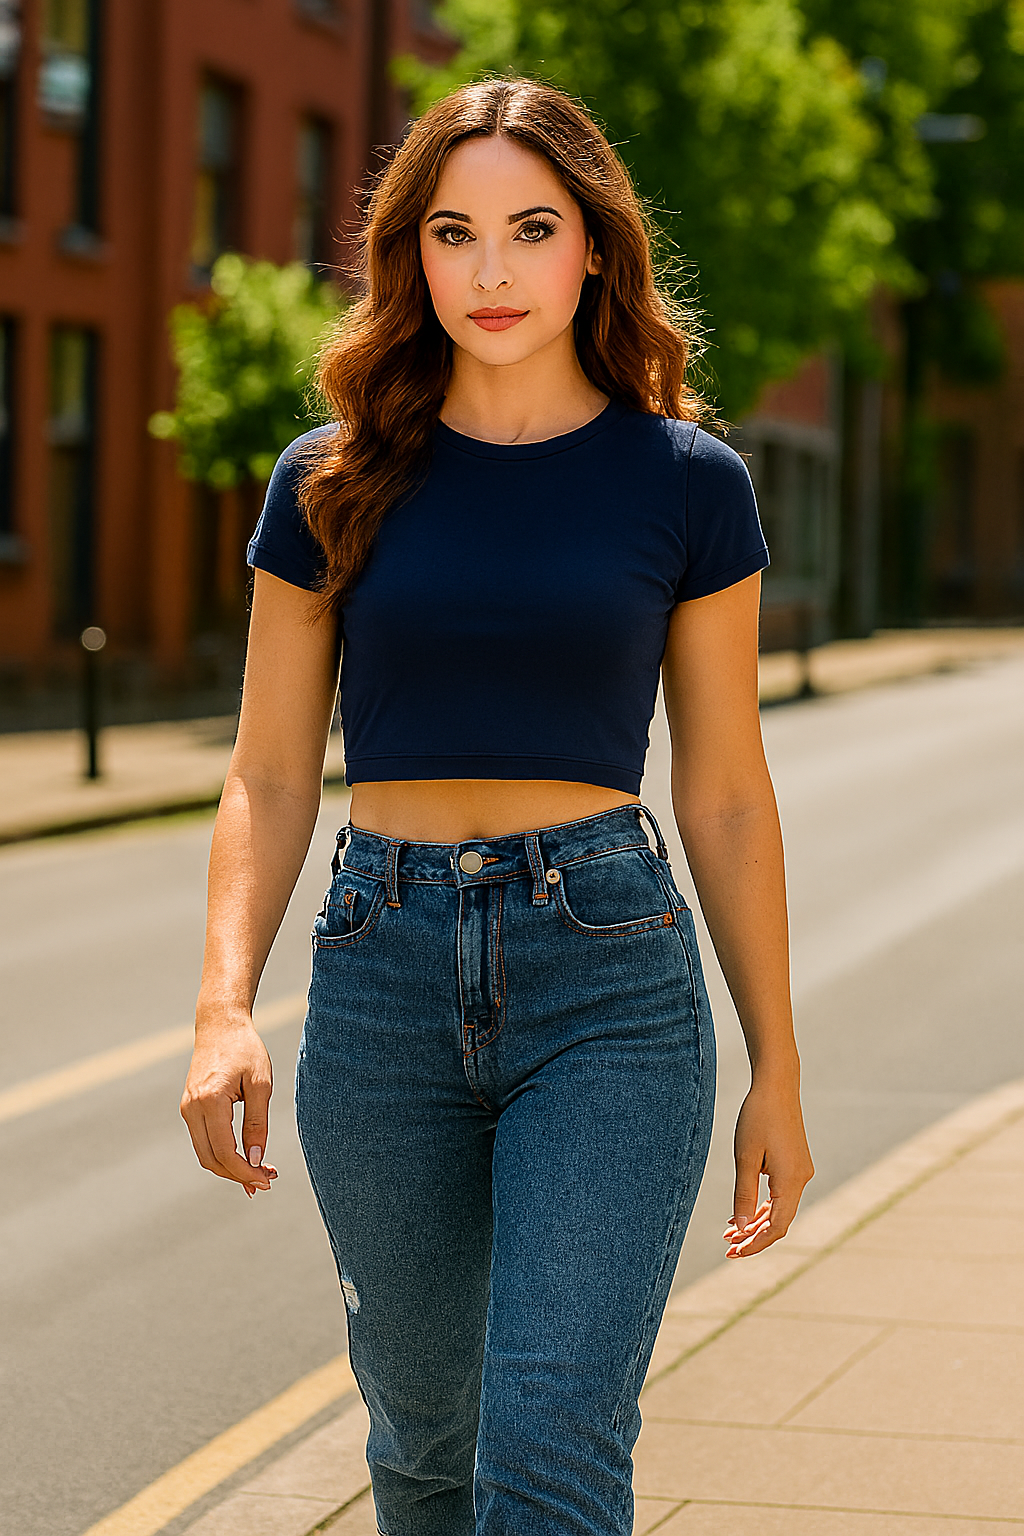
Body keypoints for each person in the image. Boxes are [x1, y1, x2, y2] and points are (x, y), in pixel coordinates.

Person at [181, 76, 814, 1536]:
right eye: (453, 233)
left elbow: (724, 791)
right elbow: (271, 772)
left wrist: (777, 1057)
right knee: (425, 1440)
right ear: (411, 255)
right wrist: (225, 1004)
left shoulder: (689, 485)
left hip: (610, 982)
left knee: (547, 1441)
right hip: (380, 975)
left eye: (531, 229)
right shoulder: (332, 480)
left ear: (594, 246)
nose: (491, 270)